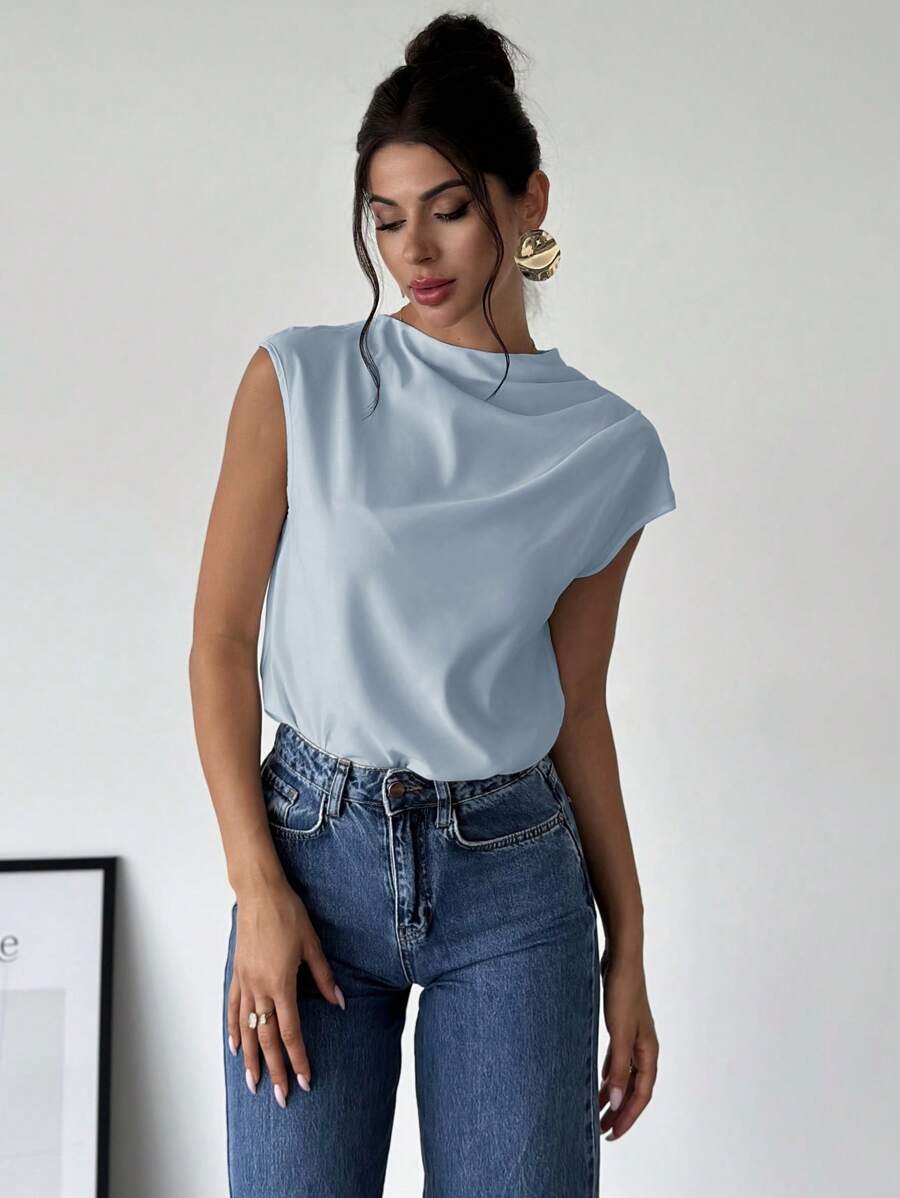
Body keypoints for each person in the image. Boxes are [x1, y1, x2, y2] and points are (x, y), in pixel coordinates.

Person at [189, 12, 676, 1197]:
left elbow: (578, 709)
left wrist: (629, 949)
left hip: (514, 879)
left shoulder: (605, 447)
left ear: (527, 200)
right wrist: (257, 888)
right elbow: (221, 643)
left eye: (449, 209)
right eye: (386, 217)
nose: (415, 250)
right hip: (310, 858)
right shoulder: (302, 380)